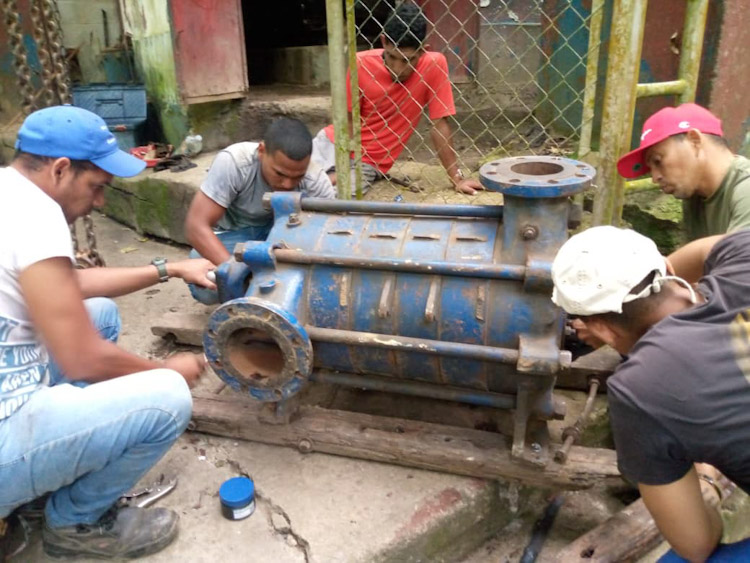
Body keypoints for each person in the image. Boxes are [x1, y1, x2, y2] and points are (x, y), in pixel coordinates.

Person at [0, 105, 217, 559]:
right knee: (166, 398)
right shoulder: (37, 215)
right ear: (61, 169)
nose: (99, 202)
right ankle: (76, 523)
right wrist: (163, 371)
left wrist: (170, 267)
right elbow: (83, 358)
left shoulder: (9, 194)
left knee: (99, 313)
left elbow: (68, 287)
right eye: (97, 187)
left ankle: (47, 471)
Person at [551, 225, 750, 562]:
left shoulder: (639, 389)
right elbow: (705, 252)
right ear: (668, 268)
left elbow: (696, 544)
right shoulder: (743, 252)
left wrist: (708, 483)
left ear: (597, 327)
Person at [311, 2, 483, 196]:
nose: (398, 68)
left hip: (369, 162)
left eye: (408, 60)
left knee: (332, 198)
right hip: (333, 144)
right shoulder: (361, 64)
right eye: (392, 57)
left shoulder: (434, 65)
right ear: (384, 42)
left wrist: (456, 178)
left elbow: (439, 124)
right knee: (287, 176)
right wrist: (336, 169)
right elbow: (348, 122)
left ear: (423, 50)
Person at [185, 116, 336, 303]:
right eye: (279, 173)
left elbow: (328, 236)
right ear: (262, 151)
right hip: (237, 236)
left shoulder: (316, 181)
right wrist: (236, 273)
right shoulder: (234, 162)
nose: (288, 184)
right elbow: (196, 227)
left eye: (297, 176)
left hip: (285, 239)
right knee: (206, 286)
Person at [617, 103, 750, 240]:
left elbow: (739, 254)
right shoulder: (694, 196)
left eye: (658, 161)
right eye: (651, 168)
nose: (655, 178)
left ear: (694, 141)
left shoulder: (746, 187)